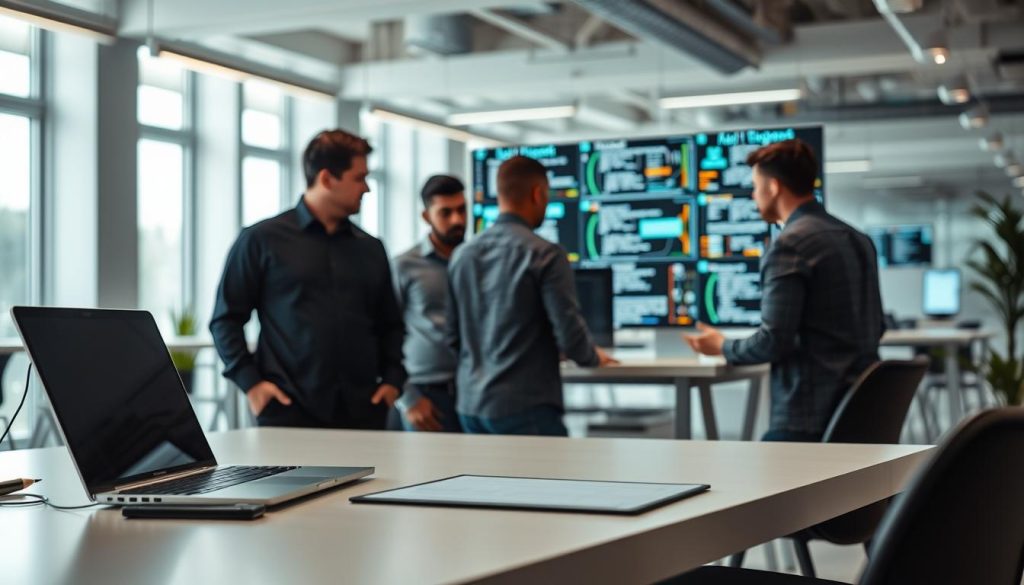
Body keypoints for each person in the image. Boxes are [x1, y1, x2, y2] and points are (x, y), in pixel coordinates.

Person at [684, 139, 884, 442]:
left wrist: (722, 346)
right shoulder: (858, 239)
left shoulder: (790, 245)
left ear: (774, 187)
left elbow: (773, 342)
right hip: (864, 416)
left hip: (807, 424)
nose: (753, 195)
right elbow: (878, 326)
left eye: (755, 186)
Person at [210, 129, 405, 430]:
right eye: (359, 178)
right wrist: (252, 385)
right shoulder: (261, 240)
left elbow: (391, 324)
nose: (366, 188)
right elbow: (225, 319)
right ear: (327, 178)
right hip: (287, 410)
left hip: (364, 412)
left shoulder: (371, 248)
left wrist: (393, 380)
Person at [446, 155, 617, 436]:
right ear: (537, 194)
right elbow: (569, 333)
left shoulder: (462, 255)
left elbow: (452, 336)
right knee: (553, 467)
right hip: (524, 405)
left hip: (471, 407)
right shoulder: (545, 254)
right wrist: (592, 357)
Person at [389, 175, 467, 432]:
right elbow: (385, 335)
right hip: (425, 396)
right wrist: (408, 399)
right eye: (446, 213)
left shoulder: (476, 262)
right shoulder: (404, 266)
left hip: (473, 394)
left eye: (462, 210)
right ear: (426, 216)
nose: (457, 220)